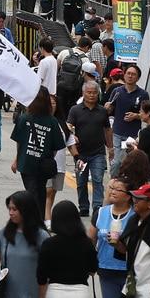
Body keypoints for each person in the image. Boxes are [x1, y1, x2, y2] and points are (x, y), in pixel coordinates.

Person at [93, 178, 132, 298]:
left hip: (128, 271)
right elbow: (91, 239)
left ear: (128, 195)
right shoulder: (102, 212)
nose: (113, 192)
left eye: (118, 189)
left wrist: (121, 246)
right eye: (111, 188)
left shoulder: (134, 216)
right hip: (106, 269)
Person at [10, 88, 66, 218]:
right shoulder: (52, 122)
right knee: (39, 193)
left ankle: (33, 220)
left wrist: (17, 159)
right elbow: (56, 146)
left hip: (26, 163)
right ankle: (37, 220)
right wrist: (48, 156)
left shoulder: (24, 118)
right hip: (43, 166)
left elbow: (19, 141)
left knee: (33, 193)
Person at [67, 81, 113, 217]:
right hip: (80, 154)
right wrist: (71, 133)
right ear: (83, 93)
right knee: (81, 182)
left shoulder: (102, 111)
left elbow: (107, 130)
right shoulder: (75, 110)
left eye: (94, 92)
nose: (92, 95)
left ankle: (97, 207)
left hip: (98, 153)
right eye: (89, 92)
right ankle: (83, 207)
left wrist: (110, 148)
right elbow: (68, 125)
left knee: (98, 180)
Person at [106, 63, 148, 161]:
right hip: (117, 133)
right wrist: (107, 107)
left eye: (133, 74)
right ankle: (114, 176)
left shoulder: (143, 94)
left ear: (138, 78)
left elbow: (147, 115)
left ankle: (124, 176)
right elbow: (109, 111)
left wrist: (136, 116)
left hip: (132, 135)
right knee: (116, 161)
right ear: (124, 75)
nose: (130, 76)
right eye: (128, 73)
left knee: (128, 161)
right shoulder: (117, 91)